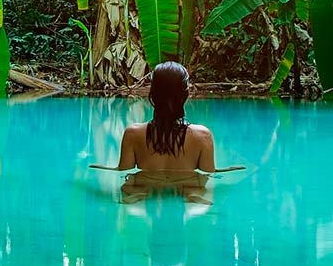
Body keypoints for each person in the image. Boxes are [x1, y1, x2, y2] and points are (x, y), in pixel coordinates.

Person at [89, 62, 243, 201]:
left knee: (131, 189)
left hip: (145, 187)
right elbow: (209, 174)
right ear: (185, 95)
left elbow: (123, 171)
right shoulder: (202, 135)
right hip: (188, 188)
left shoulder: (133, 133)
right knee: (200, 192)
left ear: (153, 94)